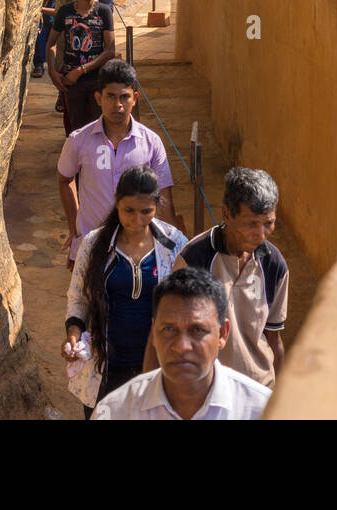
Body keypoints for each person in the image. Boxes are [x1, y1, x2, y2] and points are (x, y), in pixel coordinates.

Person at [63, 165, 187, 418]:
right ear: (116, 202)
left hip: (156, 369)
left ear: (157, 206)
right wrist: (73, 334)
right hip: (105, 369)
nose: (136, 220)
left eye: (146, 212)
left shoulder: (174, 245)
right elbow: (78, 298)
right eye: (128, 211)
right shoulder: (94, 245)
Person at [145, 167, 287, 388]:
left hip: (259, 390)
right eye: (250, 224)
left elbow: (274, 338)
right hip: (207, 392)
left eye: (268, 223)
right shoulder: (195, 259)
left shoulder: (274, 264)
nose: (260, 235)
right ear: (226, 214)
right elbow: (163, 332)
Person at [91, 268, 271, 421]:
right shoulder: (114, 411)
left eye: (197, 330)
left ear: (222, 334)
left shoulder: (263, 410)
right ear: (153, 332)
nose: (181, 346)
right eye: (169, 329)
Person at [57, 60, 177, 267]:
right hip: (92, 250)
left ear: (135, 99)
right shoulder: (78, 141)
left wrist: (172, 248)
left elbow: (164, 197)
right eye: (110, 96)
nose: (117, 104)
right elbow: (64, 179)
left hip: (140, 251)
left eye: (124, 97)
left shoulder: (151, 143)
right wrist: (75, 228)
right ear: (98, 98)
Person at [47, 0, 116, 132]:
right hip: (71, 81)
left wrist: (82, 70)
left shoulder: (104, 11)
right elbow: (51, 43)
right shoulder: (66, 12)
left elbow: (110, 51)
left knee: (99, 126)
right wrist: (52, 71)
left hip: (97, 79)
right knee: (76, 128)